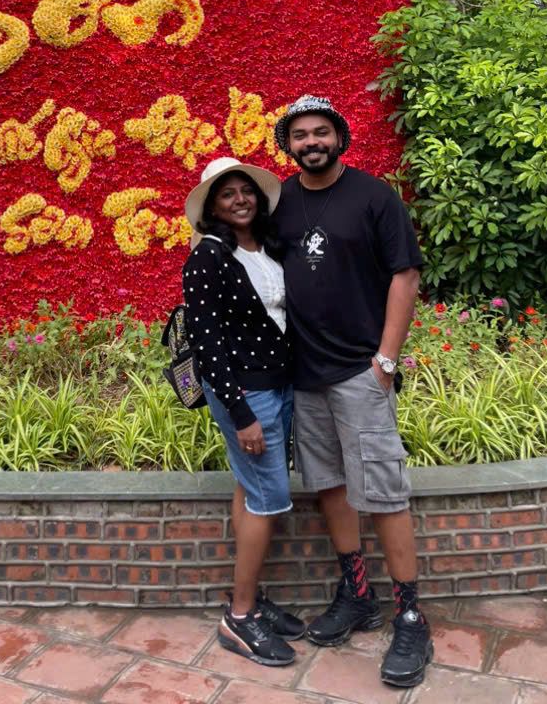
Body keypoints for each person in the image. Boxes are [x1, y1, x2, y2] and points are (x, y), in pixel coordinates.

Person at [272, 94, 433, 690]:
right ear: (288, 145)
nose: (311, 142)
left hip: (360, 373)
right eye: (300, 135)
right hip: (305, 375)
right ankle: (357, 594)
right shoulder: (280, 202)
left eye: (321, 132)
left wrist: (385, 362)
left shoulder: (374, 196)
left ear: (339, 138)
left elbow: (405, 274)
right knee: (330, 487)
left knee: (384, 492)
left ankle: (410, 614)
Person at [182, 156, 304, 670]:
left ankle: (249, 594)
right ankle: (239, 615)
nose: (239, 199)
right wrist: (240, 414)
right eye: (227, 193)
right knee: (269, 499)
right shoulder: (207, 257)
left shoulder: (266, 248)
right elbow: (207, 343)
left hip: (279, 385)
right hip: (246, 395)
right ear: (212, 206)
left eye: (245, 190)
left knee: (249, 489)